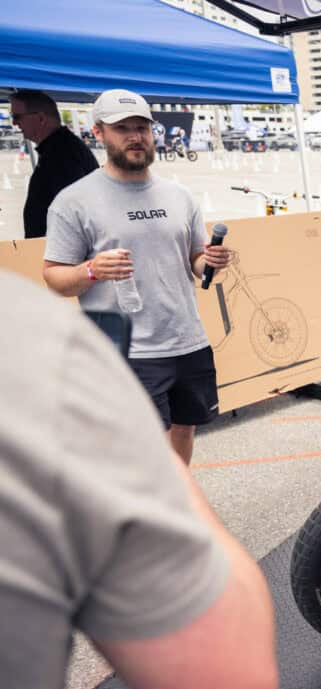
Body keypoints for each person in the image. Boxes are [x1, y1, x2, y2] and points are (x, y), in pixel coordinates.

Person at [0, 270, 278, 689]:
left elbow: (198, 266)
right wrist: (156, 466)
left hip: (180, 342)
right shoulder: (32, 336)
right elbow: (229, 688)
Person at [42, 89, 231, 465]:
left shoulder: (179, 195)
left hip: (187, 339)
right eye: (122, 128)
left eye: (142, 127)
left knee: (184, 429)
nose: (135, 137)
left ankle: (175, 505)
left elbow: (193, 259)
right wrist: (92, 269)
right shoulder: (73, 201)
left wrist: (209, 260)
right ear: (99, 133)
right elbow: (53, 277)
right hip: (128, 349)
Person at [8, 90, 99, 239]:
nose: (14, 123)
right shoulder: (59, 148)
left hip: (63, 254)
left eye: (17, 116)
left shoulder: (63, 154)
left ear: (41, 118)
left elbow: (74, 213)